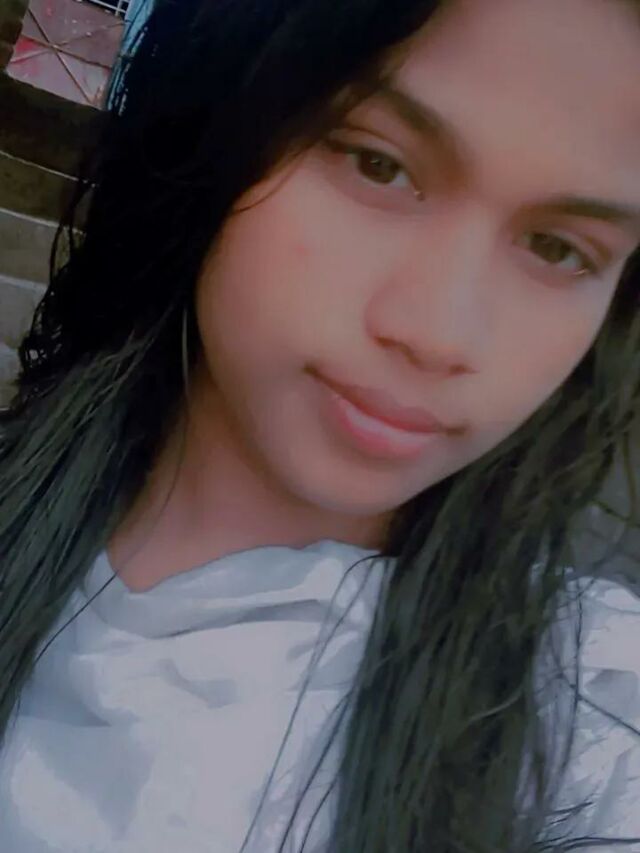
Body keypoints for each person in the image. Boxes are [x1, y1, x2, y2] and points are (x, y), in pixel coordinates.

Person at [0, 0, 639, 849]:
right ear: (223, 122)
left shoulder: (587, 725)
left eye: (559, 250)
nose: (440, 333)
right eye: (378, 164)